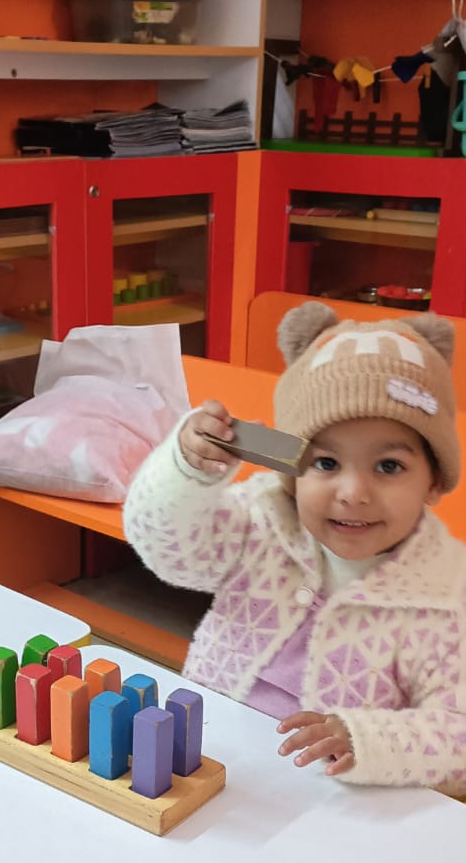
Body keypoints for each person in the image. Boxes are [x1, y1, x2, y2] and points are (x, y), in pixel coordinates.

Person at [123, 302, 466, 794]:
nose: (353, 492)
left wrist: (366, 740)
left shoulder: (447, 596)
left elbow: (457, 732)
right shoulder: (262, 522)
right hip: (204, 754)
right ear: (291, 472)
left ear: (433, 482)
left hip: (337, 800)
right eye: (326, 463)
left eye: (389, 466)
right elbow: (168, 547)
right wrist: (185, 471)